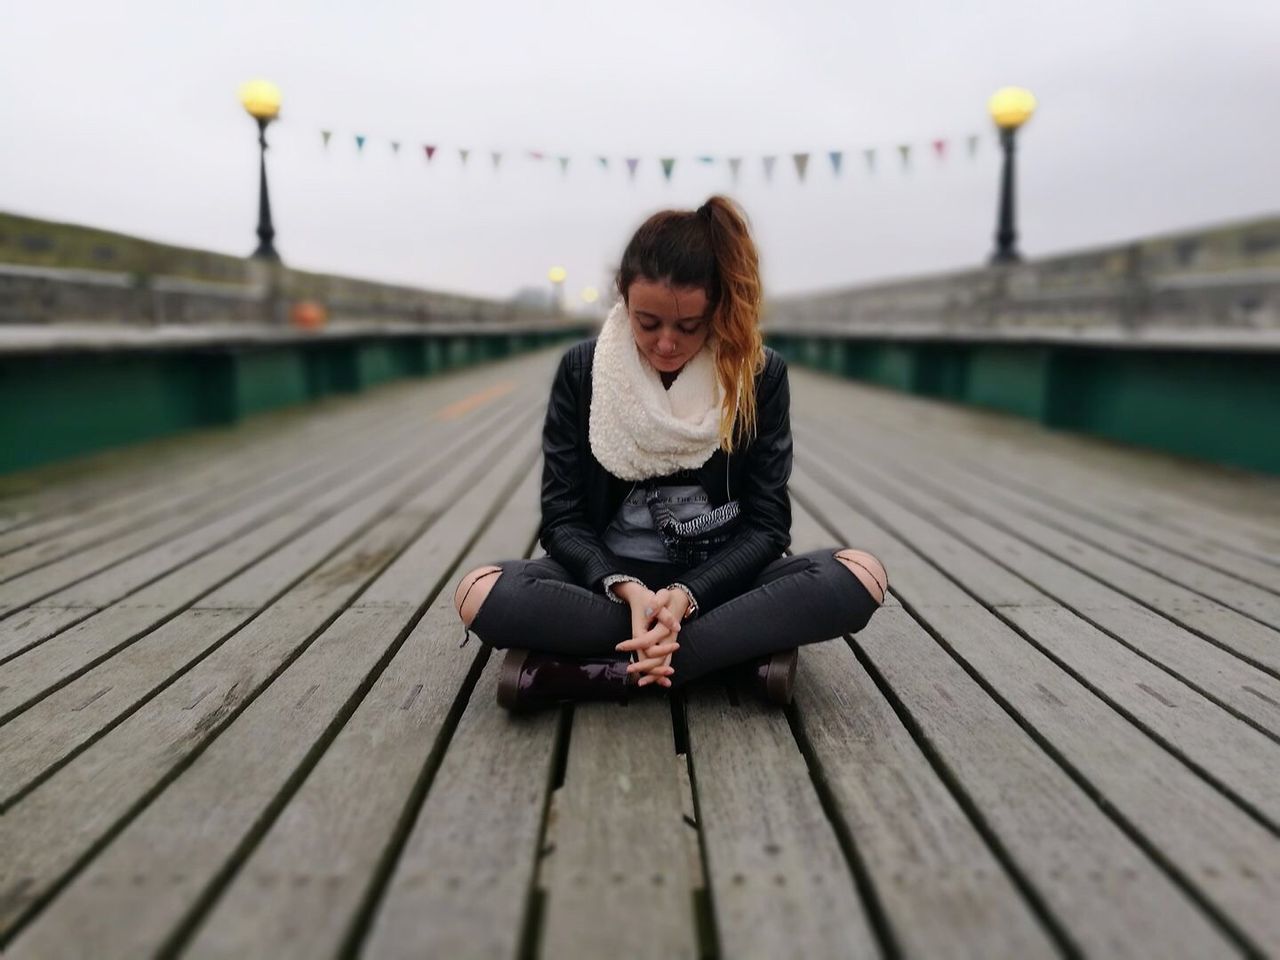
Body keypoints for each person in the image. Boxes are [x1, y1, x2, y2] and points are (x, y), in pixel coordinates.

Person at [452, 195, 888, 712]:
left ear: (717, 310)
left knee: (861, 573)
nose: (665, 343)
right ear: (623, 299)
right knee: (478, 591)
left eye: (688, 326)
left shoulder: (757, 375)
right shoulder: (581, 371)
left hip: (720, 584)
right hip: (611, 588)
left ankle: (596, 673)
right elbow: (564, 519)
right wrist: (629, 590)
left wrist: (687, 594)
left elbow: (768, 527)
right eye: (648, 322)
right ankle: (733, 658)